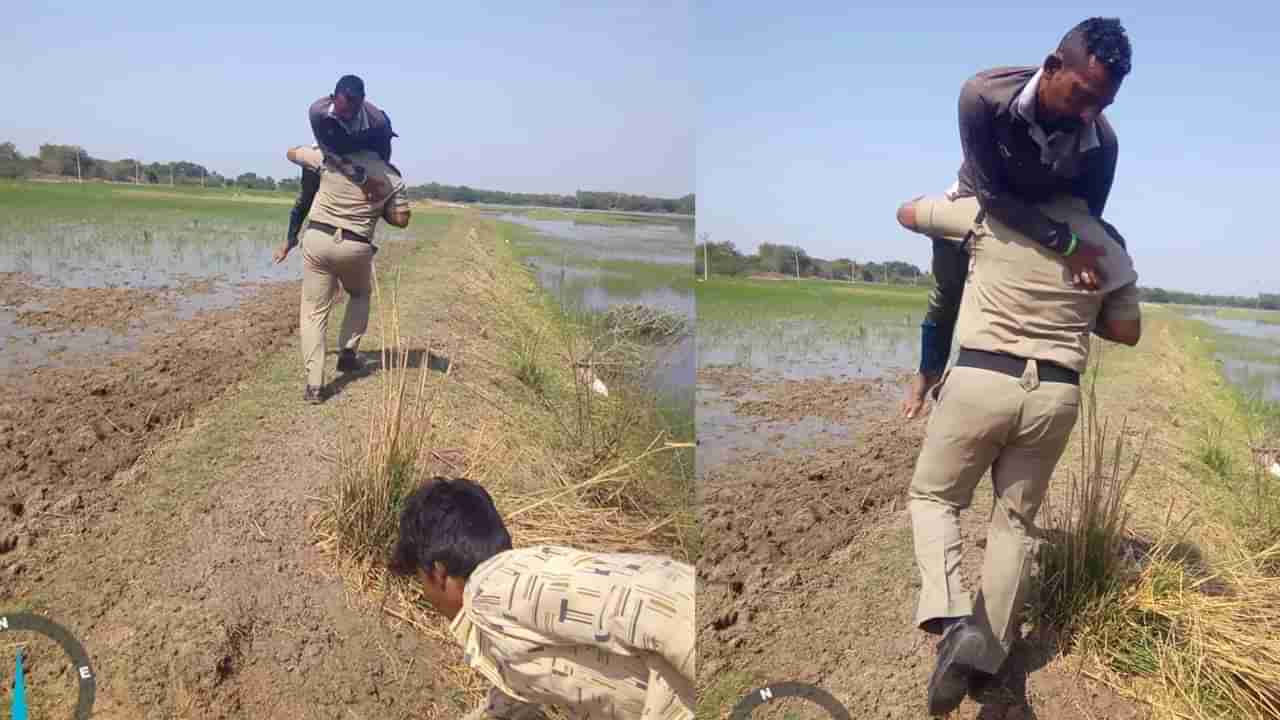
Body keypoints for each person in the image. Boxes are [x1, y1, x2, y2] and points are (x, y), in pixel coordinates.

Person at [895, 17, 1133, 420]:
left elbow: (1085, 218)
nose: (1088, 115)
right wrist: (1068, 245)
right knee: (947, 296)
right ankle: (929, 373)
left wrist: (1085, 256)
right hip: (982, 198)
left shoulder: (1102, 144)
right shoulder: (983, 97)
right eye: (1082, 95)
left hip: (1048, 217)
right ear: (1053, 67)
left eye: (1103, 105)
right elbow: (991, 196)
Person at [387, 477, 696, 720]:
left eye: (419, 579)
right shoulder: (499, 619)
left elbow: (666, 598)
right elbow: (509, 703)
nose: (427, 596)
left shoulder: (492, 587)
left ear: (438, 574)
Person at [281, 143, 410, 403]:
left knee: (313, 311)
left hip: (318, 239)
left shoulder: (329, 157)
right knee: (360, 294)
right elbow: (402, 219)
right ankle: (348, 354)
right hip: (356, 245)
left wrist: (320, 152)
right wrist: (378, 204)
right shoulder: (391, 175)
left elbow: (291, 153)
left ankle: (315, 386)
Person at [275, 74, 398, 265]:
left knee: (373, 197)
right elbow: (328, 152)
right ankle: (290, 240)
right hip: (330, 151)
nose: (348, 117)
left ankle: (364, 242)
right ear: (333, 98)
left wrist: (373, 183)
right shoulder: (318, 111)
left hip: (361, 154)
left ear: (362, 102)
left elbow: (382, 158)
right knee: (306, 197)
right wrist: (358, 178)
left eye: (353, 112)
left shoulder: (378, 123)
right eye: (343, 113)